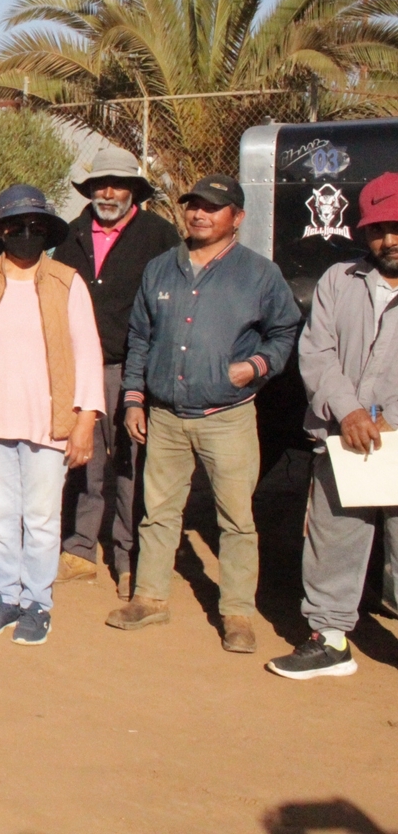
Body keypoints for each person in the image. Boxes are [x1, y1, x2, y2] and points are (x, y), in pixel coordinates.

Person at [106, 173, 301, 653]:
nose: (199, 213)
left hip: (228, 415)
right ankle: (150, 598)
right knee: (158, 513)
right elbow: (140, 338)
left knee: (235, 518)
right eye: (193, 204)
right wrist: (134, 397)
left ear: (237, 217)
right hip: (166, 415)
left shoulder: (259, 273)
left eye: (212, 207)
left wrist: (254, 366)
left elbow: (285, 332)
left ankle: (237, 612)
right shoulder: (160, 269)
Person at [266, 173, 398, 679]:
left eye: (396, 226)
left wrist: (389, 420)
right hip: (345, 439)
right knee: (333, 541)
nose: (388, 240)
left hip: (394, 440)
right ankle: (331, 640)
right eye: (378, 229)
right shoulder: (339, 281)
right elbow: (316, 352)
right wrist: (350, 412)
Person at [0, 186, 104, 645]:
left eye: (35, 226)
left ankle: (37, 602)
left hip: (50, 420)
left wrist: (85, 420)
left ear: (46, 231)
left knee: (42, 516)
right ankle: (5, 596)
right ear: (0, 231)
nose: (25, 234)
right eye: (15, 226)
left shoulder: (67, 281)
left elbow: (87, 354)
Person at [51, 147, 181, 598]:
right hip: (79, 367)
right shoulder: (70, 235)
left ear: (134, 191)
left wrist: (145, 379)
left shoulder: (160, 237)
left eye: (117, 185)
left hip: (133, 368)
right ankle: (80, 549)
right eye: (99, 185)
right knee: (82, 461)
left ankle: (130, 557)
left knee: (131, 464)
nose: (107, 193)